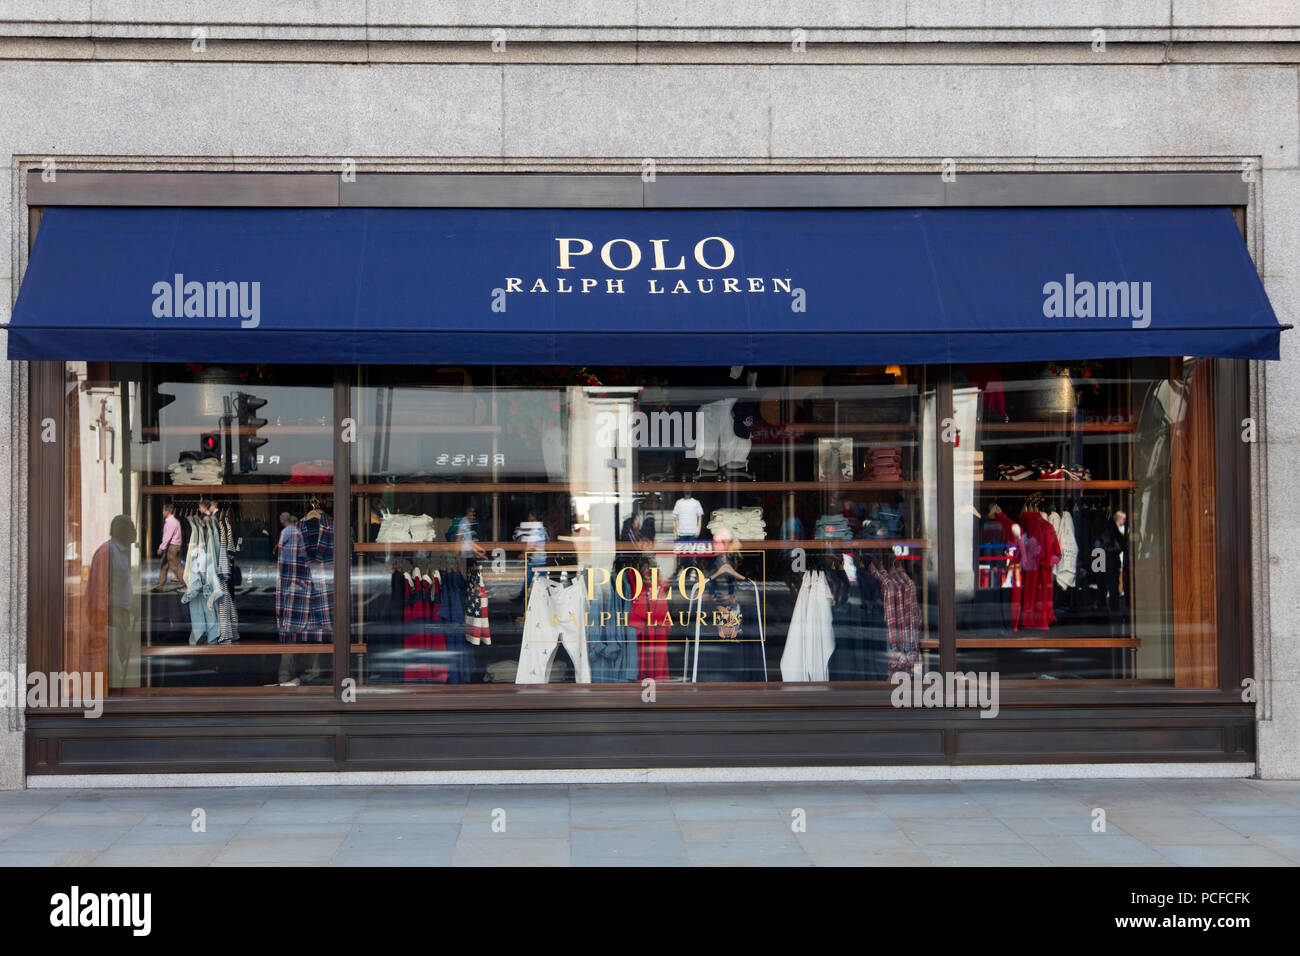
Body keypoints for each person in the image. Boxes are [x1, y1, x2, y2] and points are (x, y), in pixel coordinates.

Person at [155, 502, 183, 589]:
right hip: (173, 546)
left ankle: (187, 584)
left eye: (163, 510)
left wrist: (161, 547)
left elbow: (168, 536)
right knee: (164, 566)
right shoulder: (174, 521)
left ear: (167, 511)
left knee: (175, 567)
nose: (162, 512)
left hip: (172, 547)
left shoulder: (171, 522)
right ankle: (159, 586)